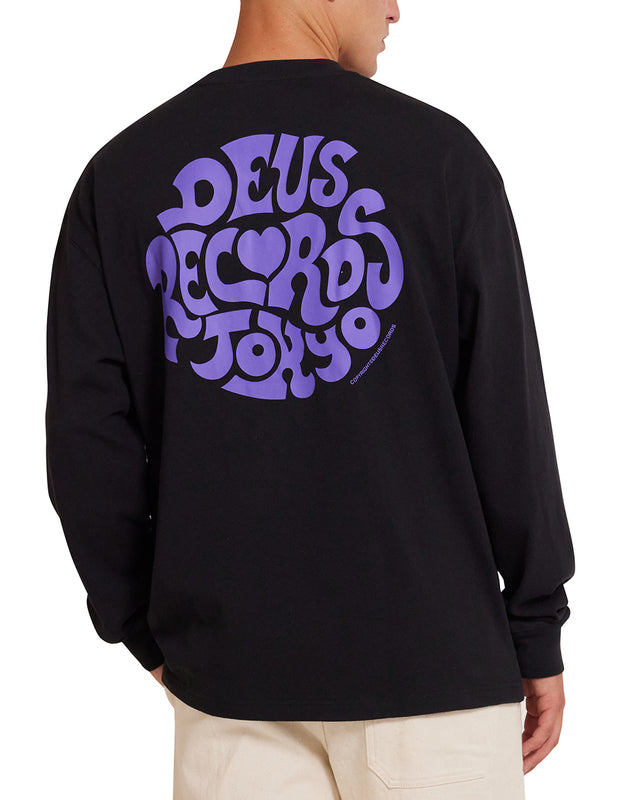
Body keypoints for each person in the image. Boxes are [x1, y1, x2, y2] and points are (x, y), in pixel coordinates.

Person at [44, 0, 576, 797]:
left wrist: (143, 625)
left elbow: (87, 443)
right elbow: (508, 421)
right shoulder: (440, 157)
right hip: (434, 681)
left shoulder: (120, 177)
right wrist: (536, 627)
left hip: (229, 687)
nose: (396, 8)